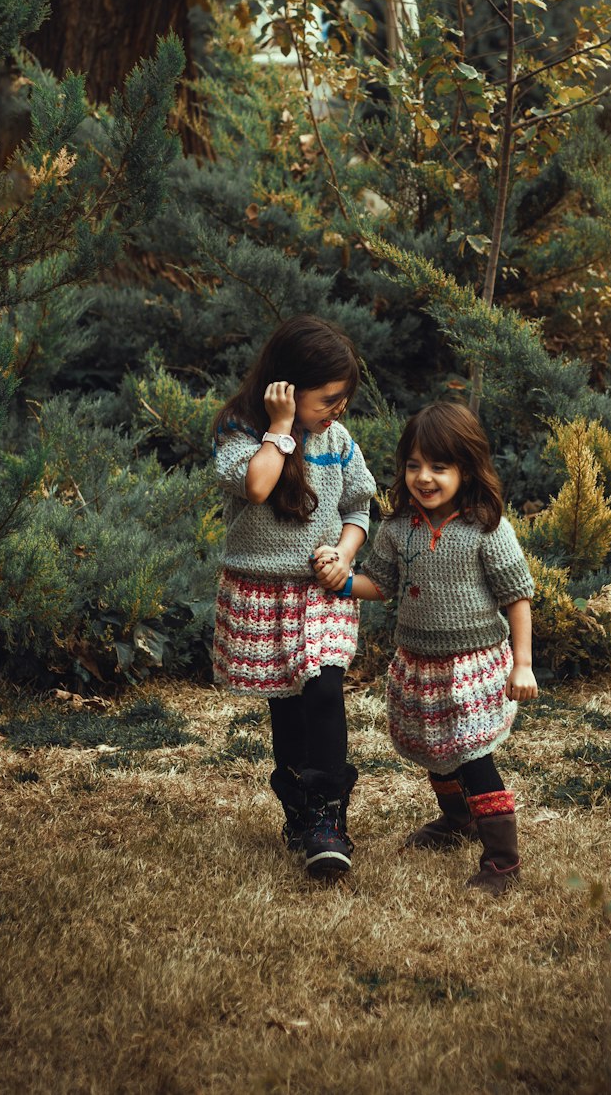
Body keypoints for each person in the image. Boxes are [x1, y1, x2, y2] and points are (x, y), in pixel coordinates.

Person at [211, 314, 376, 879]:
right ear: (285, 386)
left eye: (344, 398)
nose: (338, 410)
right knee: (286, 701)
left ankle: (330, 818)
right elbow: (258, 485)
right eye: (328, 398)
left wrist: (347, 554)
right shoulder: (240, 429)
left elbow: (359, 506)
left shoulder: (338, 439)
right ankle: (300, 810)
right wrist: (280, 428)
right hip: (263, 589)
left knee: (325, 687)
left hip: (320, 589)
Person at [350, 401, 537, 895]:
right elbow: (379, 583)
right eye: (414, 465)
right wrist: (343, 582)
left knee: (473, 754)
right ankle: (458, 820)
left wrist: (523, 663)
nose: (424, 477)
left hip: (474, 663)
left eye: (439, 466)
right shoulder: (396, 530)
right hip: (419, 662)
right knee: (436, 750)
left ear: (467, 469)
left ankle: (502, 859)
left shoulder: (486, 528)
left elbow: (517, 596)